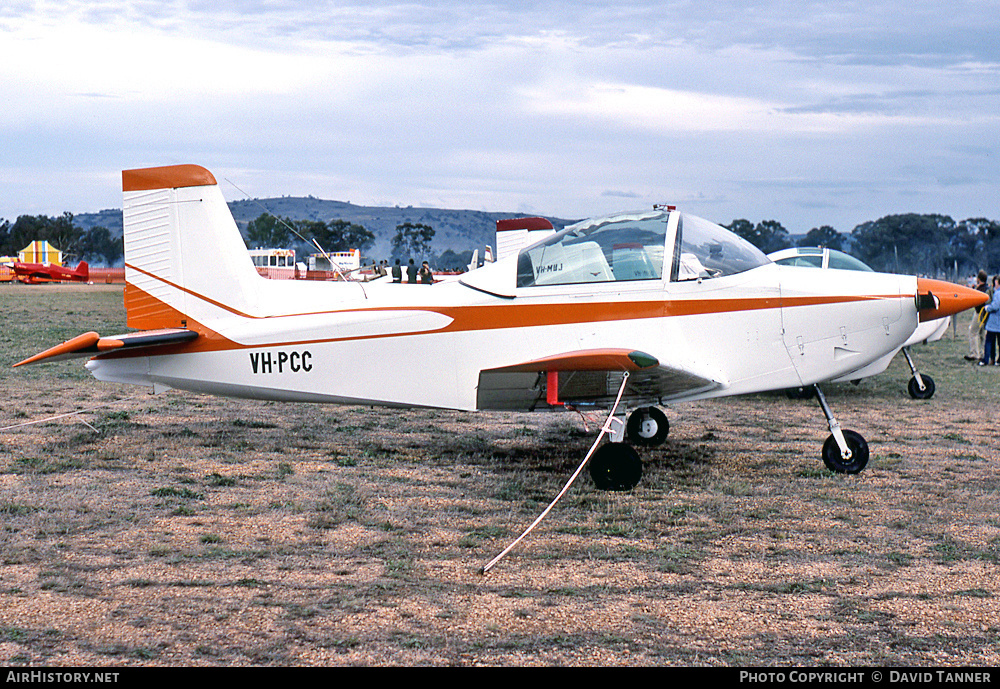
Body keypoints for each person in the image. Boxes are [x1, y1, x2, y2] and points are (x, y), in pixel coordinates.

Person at [966, 270, 989, 361]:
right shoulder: (987, 288)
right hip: (986, 314)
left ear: (978, 279)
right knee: (982, 334)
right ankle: (983, 353)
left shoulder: (980, 290)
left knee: (973, 332)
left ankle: (974, 353)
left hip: (979, 313)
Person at [979, 275, 1000, 366]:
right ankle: (997, 360)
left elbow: (995, 306)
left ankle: (986, 360)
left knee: (989, 341)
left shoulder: (998, 293)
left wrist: (988, 308)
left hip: (995, 322)